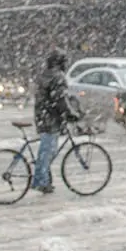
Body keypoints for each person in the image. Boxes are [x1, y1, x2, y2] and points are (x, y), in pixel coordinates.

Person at [33, 50, 75, 194]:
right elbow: (60, 99)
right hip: (51, 118)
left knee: (48, 150)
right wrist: (69, 114)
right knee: (47, 152)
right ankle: (40, 180)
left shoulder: (45, 74)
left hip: (41, 115)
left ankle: (45, 178)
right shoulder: (58, 77)